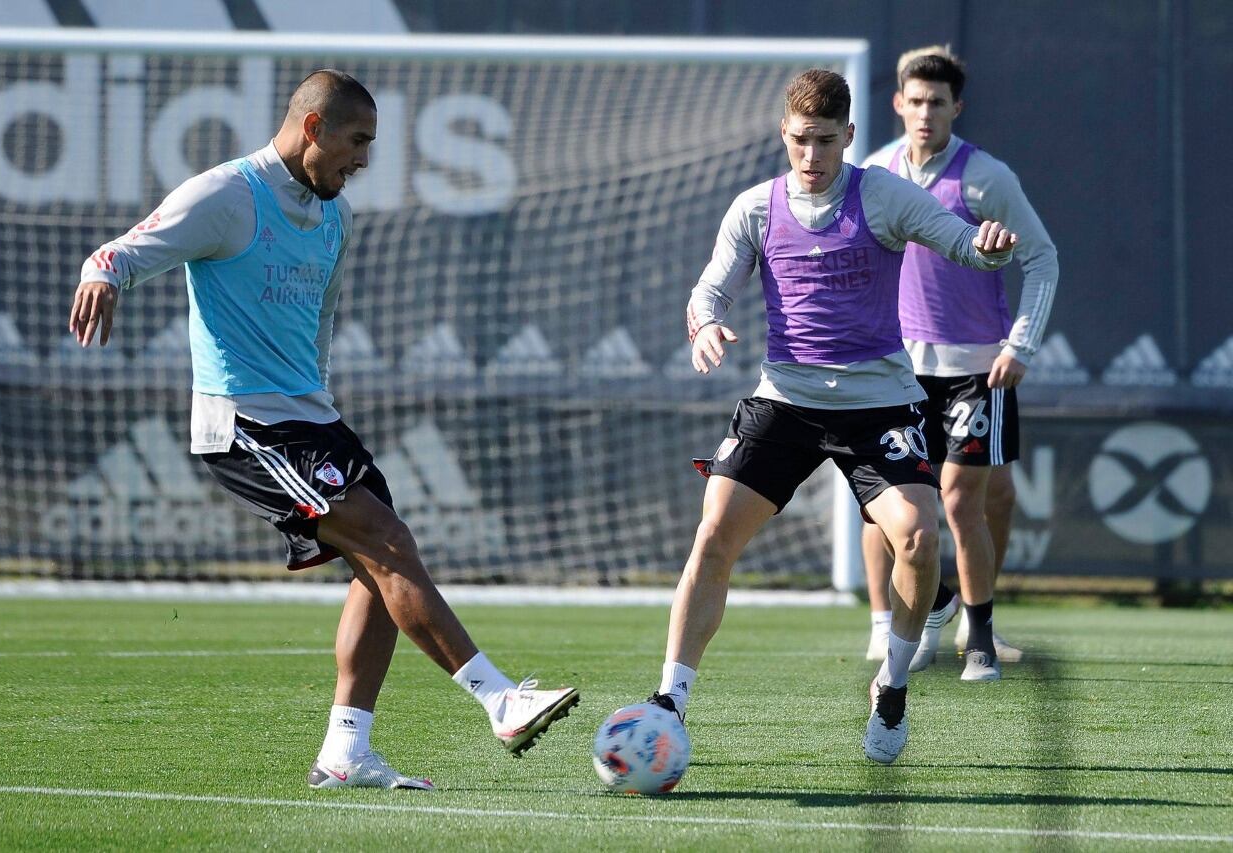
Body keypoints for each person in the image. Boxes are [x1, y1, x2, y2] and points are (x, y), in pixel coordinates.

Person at [69, 70, 577, 790]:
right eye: (357, 141)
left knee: (380, 565)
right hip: (246, 423)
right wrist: (103, 275)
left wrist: (322, 402)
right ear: (312, 128)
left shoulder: (333, 217)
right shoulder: (226, 195)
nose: (364, 159)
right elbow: (124, 249)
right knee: (388, 542)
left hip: (313, 418)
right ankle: (500, 698)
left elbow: (322, 322)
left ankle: (345, 750)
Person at [650, 68, 1017, 765]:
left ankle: (893, 683)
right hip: (784, 401)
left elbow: (958, 240)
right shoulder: (756, 207)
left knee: (918, 537)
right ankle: (671, 698)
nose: (811, 157)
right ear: (783, 136)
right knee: (714, 532)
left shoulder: (880, 195)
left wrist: (987, 247)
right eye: (798, 141)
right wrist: (703, 323)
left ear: (849, 136)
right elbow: (710, 287)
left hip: (876, 403)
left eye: (824, 141)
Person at [860, 47, 1059, 681]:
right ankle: (925, 612)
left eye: (937, 103)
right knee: (892, 505)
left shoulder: (985, 178)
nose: (925, 113)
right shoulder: (875, 173)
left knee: (961, 500)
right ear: (898, 104)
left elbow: (1043, 259)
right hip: (897, 370)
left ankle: (980, 641)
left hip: (979, 367)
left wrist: (1019, 345)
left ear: (956, 108)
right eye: (914, 101)